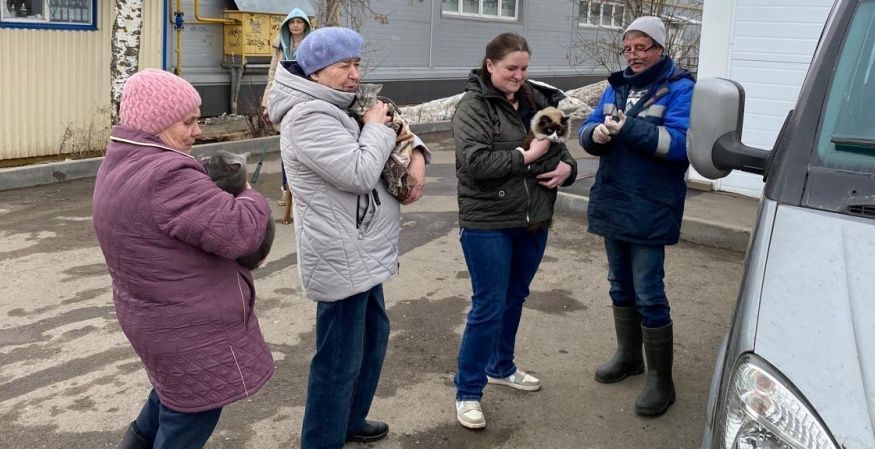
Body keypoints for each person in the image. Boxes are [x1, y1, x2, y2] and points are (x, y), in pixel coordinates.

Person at [92, 68, 274, 449]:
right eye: (188, 122)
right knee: (189, 417)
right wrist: (249, 193)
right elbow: (241, 231)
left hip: (157, 319)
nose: (198, 131)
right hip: (189, 330)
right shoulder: (168, 173)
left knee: (167, 401)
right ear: (156, 124)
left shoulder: (121, 160)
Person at [265, 27, 428, 449]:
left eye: (357, 63)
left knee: (371, 340)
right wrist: (376, 127)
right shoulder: (307, 116)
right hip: (340, 254)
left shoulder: (339, 102)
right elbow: (358, 173)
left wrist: (416, 152)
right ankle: (322, 439)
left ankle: (350, 419)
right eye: (344, 66)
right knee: (338, 358)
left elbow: (395, 126)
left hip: (362, 247)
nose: (355, 74)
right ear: (317, 72)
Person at [451, 32, 578, 430]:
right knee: (488, 304)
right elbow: (475, 163)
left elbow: (560, 146)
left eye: (524, 68)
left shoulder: (536, 100)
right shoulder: (473, 107)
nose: (519, 76)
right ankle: (467, 392)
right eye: (511, 68)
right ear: (490, 65)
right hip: (488, 221)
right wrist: (526, 155)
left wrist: (568, 168)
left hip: (533, 217)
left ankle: (501, 367)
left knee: (515, 297)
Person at [578, 16, 695, 418]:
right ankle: (629, 357)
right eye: (628, 48)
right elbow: (588, 127)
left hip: (651, 205)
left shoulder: (680, 88)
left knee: (649, 292)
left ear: (660, 48)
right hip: (614, 201)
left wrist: (628, 129)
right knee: (618, 284)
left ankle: (662, 381)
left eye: (642, 47)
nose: (634, 55)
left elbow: (679, 145)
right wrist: (593, 136)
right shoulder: (616, 86)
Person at [261, 8, 312, 208]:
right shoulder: (280, 45)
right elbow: (272, 73)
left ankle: (303, 192)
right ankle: (286, 190)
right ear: (287, 26)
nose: (296, 25)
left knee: (305, 147)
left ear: (305, 25)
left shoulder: (312, 45)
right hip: (284, 101)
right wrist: (267, 103)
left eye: (299, 22)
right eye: (292, 22)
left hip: (306, 100)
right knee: (286, 148)